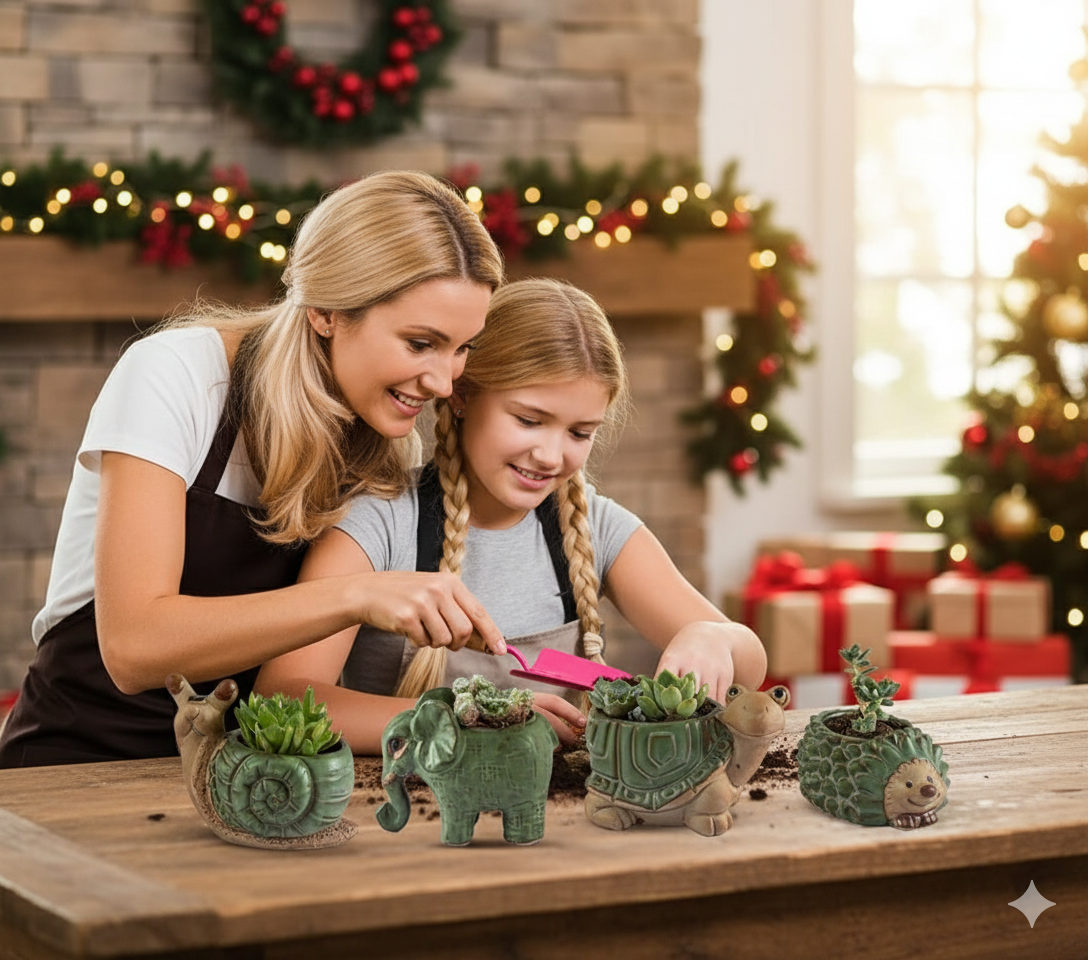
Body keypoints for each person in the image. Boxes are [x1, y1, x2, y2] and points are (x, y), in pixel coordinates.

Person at [0, 170, 508, 768]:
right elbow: (133, 648)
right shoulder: (177, 374)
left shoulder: (387, 444)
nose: (445, 381)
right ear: (325, 312)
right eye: (420, 344)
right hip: (78, 767)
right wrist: (355, 595)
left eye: (462, 347)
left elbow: (300, 686)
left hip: (253, 785)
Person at [255, 278, 767, 752]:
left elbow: (752, 663)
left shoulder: (595, 528)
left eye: (579, 433)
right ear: (462, 395)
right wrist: (466, 721)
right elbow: (282, 700)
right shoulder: (378, 524)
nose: (550, 455)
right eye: (528, 420)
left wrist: (713, 638)